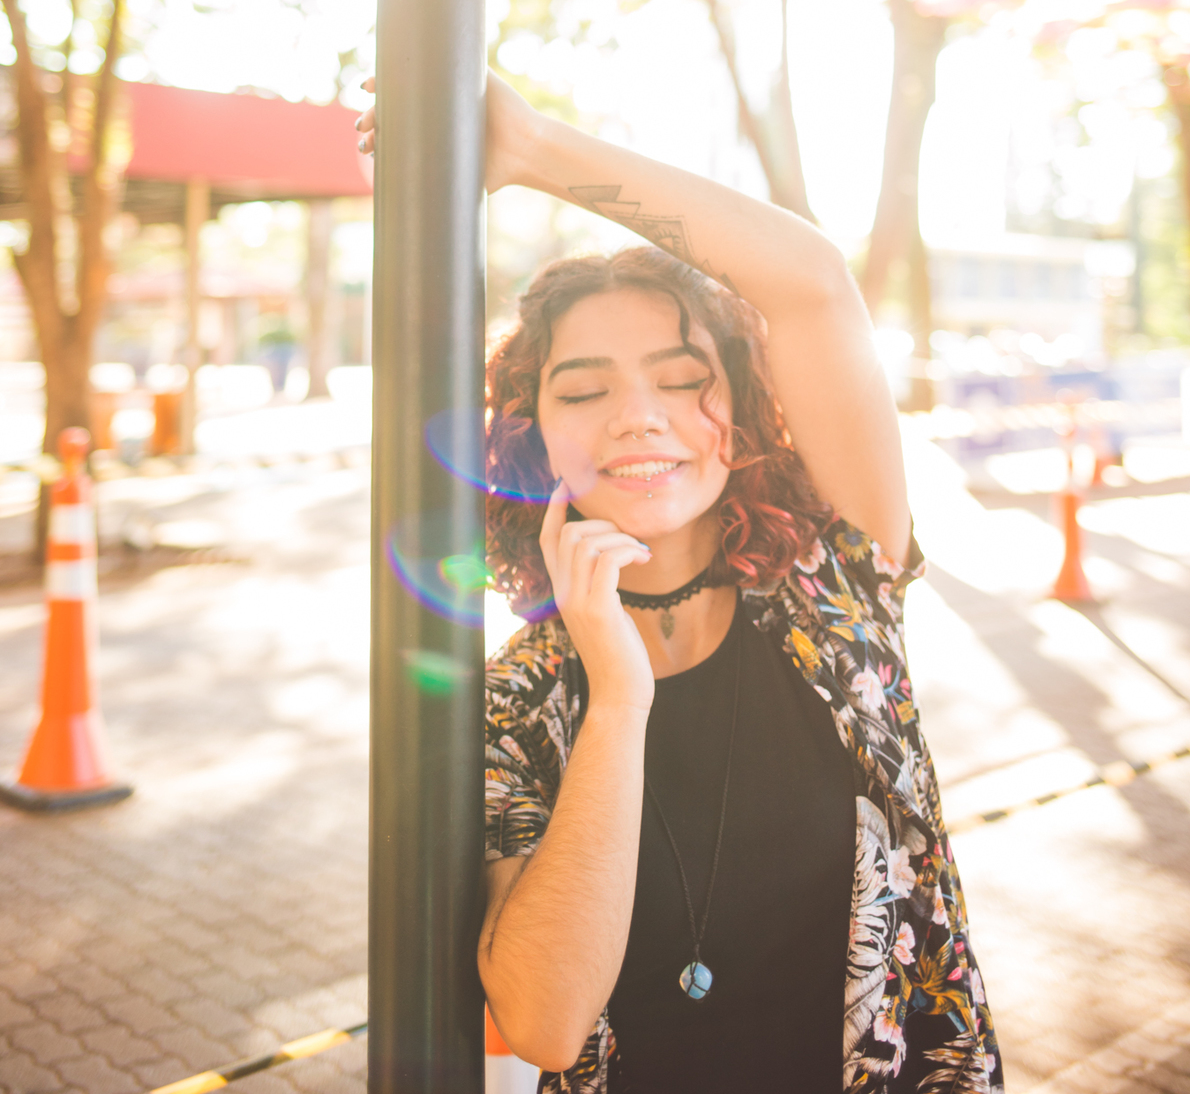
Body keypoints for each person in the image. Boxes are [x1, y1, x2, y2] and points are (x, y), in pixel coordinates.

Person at [357, 71, 1003, 1094]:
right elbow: (544, 1022)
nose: (637, 416)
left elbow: (808, 281)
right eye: (585, 388)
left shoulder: (836, 584)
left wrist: (529, 151)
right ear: (534, 440)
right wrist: (616, 700)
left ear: (740, 412)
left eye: (681, 377)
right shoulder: (520, 697)